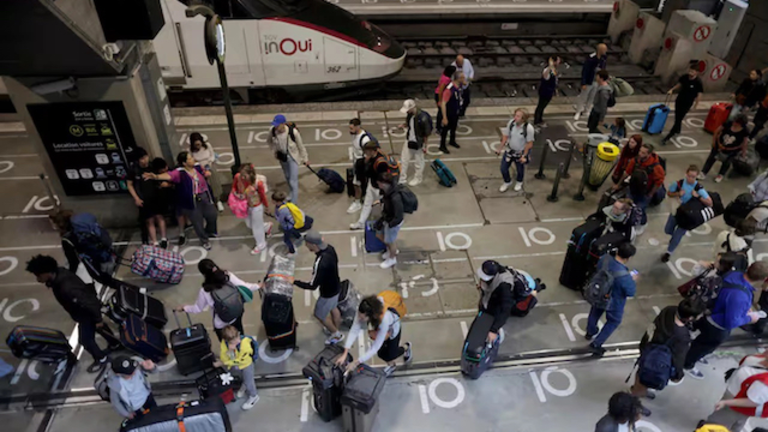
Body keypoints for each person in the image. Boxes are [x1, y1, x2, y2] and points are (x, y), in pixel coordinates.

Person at [26, 255, 118, 373]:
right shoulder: (60, 275)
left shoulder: (66, 287)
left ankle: (101, 358)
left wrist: (98, 318)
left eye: (38, 275)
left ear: (47, 272)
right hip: (85, 311)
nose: (38, 279)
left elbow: (87, 302)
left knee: (85, 340)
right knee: (99, 328)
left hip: (86, 313)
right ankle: (115, 344)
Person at [684, 261, 768, 379]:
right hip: (717, 327)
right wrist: (750, 317)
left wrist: (743, 308)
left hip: (708, 314)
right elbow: (731, 322)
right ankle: (688, 364)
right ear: (762, 279)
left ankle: (693, 353)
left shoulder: (733, 275)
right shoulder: (741, 296)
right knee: (704, 346)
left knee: (700, 341)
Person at [630, 298, 705, 400]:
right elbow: (679, 358)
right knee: (651, 376)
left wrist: (643, 348)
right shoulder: (682, 337)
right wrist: (678, 375)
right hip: (660, 361)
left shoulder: (668, 310)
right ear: (691, 318)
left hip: (648, 350)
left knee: (642, 372)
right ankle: (636, 397)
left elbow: (652, 328)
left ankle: (636, 392)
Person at [144, 152, 217, 250]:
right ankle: (204, 240)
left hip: (205, 196)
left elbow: (204, 172)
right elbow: (169, 175)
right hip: (192, 200)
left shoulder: (197, 167)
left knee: (212, 214)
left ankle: (210, 231)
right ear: (184, 163)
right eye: (190, 158)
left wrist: (207, 172)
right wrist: (156, 177)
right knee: (197, 222)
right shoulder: (180, 173)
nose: (192, 159)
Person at [175, 259, 261, 342]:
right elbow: (245, 286)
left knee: (226, 343)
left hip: (221, 323)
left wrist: (184, 308)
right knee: (240, 337)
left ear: (204, 274)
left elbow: (197, 308)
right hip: (236, 314)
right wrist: (258, 285)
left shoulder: (205, 290)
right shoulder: (227, 276)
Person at [336, 295, 412, 377]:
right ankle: (391, 363)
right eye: (359, 316)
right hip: (380, 328)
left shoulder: (384, 320)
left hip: (392, 328)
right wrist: (345, 353)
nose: (359, 319)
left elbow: (375, 347)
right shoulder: (364, 310)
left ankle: (406, 348)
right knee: (381, 353)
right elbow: (354, 330)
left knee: (390, 355)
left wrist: (356, 362)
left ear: (371, 316)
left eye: (362, 318)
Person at [586, 243, 638, 357]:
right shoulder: (624, 277)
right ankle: (596, 344)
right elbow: (631, 292)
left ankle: (590, 331)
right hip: (614, 302)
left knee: (595, 312)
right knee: (613, 321)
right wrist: (632, 280)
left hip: (599, 293)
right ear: (628, 258)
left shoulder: (604, 259)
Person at [293, 231, 344, 344]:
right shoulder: (330, 249)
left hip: (327, 294)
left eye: (307, 243)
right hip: (336, 286)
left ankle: (336, 334)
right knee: (333, 308)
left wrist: (294, 282)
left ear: (313, 245)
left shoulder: (321, 263)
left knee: (319, 315)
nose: (306, 245)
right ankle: (335, 327)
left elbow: (312, 285)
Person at [700, 353, 768, 431]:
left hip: (737, 405)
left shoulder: (765, 383)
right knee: (734, 422)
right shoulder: (759, 358)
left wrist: (725, 402)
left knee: (717, 424)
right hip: (734, 395)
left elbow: (753, 401)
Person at [661, 165, 713, 263]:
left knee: (677, 236)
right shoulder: (678, 184)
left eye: (693, 177)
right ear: (686, 174)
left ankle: (669, 252)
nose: (691, 179)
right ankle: (674, 239)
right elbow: (669, 193)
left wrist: (698, 197)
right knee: (668, 229)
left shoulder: (698, 188)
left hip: (688, 216)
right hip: (676, 211)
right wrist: (678, 194)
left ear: (697, 177)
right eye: (689, 176)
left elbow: (710, 202)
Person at [613, 143, 666, 234]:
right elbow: (627, 173)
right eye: (640, 151)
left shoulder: (656, 167)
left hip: (645, 192)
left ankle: (643, 223)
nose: (640, 154)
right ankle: (626, 220)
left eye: (643, 153)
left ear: (649, 154)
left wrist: (650, 194)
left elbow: (659, 182)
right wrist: (618, 184)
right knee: (627, 205)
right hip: (633, 188)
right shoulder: (635, 161)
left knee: (640, 209)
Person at [350, 141, 396, 230]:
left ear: (372, 151)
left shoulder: (380, 163)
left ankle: (385, 224)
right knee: (367, 204)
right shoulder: (372, 158)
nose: (365, 153)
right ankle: (361, 222)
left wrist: (367, 164)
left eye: (366, 151)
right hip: (372, 185)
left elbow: (380, 177)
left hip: (380, 188)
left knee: (383, 207)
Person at [126, 148, 168, 248]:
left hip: (157, 196)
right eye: (142, 158)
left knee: (160, 217)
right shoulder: (134, 170)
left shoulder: (153, 166)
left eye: (146, 157)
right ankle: (155, 242)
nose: (145, 160)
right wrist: (136, 198)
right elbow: (129, 184)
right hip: (143, 198)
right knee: (149, 221)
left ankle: (164, 239)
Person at [215, 325, 260, 410]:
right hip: (237, 365)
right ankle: (244, 385)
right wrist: (230, 351)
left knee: (249, 381)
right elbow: (224, 357)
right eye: (233, 341)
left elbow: (241, 360)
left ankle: (254, 396)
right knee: (242, 377)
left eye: (237, 338)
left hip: (246, 364)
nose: (237, 341)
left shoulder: (245, 344)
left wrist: (224, 362)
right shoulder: (224, 343)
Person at [268, 114, 309, 204]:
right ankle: (291, 193)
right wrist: (274, 151)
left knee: (293, 180)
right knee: (287, 177)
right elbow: (269, 142)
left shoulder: (293, 132)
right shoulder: (272, 131)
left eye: (278, 125)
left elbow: (301, 146)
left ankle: (294, 202)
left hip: (292, 157)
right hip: (282, 158)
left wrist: (305, 159)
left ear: (283, 124)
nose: (276, 127)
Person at [661, 62, 703, 146]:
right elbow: (679, 84)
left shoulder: (698, 82)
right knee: (677, 116)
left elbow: (699, 94)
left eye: (692, 72)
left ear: (696, 73)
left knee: (679, 119)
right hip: (680, 99)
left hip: (688, 102)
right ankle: (678, 129)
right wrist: (672, 90)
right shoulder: (684, 77)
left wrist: (696, 105)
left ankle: (668, 136)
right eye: (690, 71)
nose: (690, 73)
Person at [700, 114, 750, 183]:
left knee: (726, 163)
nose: (734, 123)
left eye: (737, 122)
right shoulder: (728, 123)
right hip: (719, 145)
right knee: (711, 158)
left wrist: (743, 154)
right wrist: (714, 141)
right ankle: (703, 172)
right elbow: (717, 131)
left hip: (732, 150)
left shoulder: (745, 131)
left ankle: (720, 175)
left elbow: (744, 143)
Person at [475, 261, 514, 345]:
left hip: (496, 303)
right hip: (488, 299)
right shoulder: (492, 272)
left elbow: (506, 309)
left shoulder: (504, 286)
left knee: (493, 317)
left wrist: (494, 330)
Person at [497, 108, 535, 193]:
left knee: (520, 169)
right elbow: (505, 136)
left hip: (520, 152)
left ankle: (519, 182)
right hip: (509, 150)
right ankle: (507, 181)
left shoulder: (528, 129)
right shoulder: (511, 123)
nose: (515, 117)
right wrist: (500, 148)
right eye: (515, 115)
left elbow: (529, 144)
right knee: (503, 168)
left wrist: (524, 156)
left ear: (523, 119)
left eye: (518, 116)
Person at [237, 164, 271, 255]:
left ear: (250, 174)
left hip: (257, 207)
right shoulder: (242, 181)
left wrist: (267, 207)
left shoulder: (258, 183)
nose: (242, 177)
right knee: (249, 224)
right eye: (242, 175)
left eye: (244, 175)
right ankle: (267, 227)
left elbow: (263, 196)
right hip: (247, 206)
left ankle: (261, 244)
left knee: (256, 228)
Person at [189, 132, 225, 212]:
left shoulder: (207, 146)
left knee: (215, 184)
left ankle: (218, 201)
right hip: (199, 171)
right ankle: (209, 202)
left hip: (210, 167)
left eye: (199, 144)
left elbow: (212, 155)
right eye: (196, 145)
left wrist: (208, 164)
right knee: (204, 187)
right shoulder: (191, 151)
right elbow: (191, 161)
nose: (198, 146)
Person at [398, 99, 431, 186]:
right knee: (404, 159)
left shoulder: (423, 118)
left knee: (418, 161)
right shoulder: (410, 115)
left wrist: (425, 145)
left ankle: (418, 177)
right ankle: (402, 177)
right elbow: (410, 124)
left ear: (412, 108)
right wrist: (404, 125)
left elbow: (426, 133)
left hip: (418, 142)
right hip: (409, 139)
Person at [374, 174, 404, 269]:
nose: (378, 185)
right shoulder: (388, 191)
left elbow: (398, 215)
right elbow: (386, 199)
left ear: (383, 183)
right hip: (387, 218)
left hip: (393, 222)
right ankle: (390, 250)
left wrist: (391, 224)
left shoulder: (395, 197)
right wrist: (381, 201)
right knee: (379, 234)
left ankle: (392, 258)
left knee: (390, 241)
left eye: (379, 183)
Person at [574, 43, 608, 121]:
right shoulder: (591, 58)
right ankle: (578, 111)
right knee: (583, 97)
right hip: (589, 80)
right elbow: (585, 70)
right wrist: (583, 82)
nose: (605, 51)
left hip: (597, 81)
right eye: (604, 49)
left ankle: (587, 110)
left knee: (592, 97)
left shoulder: (603, 58)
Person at [347, 118, 373, 214]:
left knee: (357, 183)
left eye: (352, 128)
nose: (350, 130)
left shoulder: (364, 139)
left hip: (361, 163)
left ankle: (357, 202)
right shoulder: (354, 135)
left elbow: (370, 153)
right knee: (360, 183)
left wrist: (363, 165)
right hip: (356, 162)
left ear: (358, 127)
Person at [439, 70, 465, 154]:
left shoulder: (459, 85)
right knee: (445, 129)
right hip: (449, 112)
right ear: (458, 78)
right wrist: (444, 117)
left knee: (454, 127)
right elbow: (443, 103)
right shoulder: (449, 89)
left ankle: (452, 140)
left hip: (455, 111)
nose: (464, 79)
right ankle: (442, 145)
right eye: (462, 77)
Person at [534, 56, 560, 127]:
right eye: (558, 60)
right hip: (545, 91)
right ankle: (537, 121)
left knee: (542, 106)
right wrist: (550, 66)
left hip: (549, 91)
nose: (559, 62)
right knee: (541, 106)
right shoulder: (547, 70)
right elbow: (545, 77)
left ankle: (539, 119)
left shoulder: (553, 70)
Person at [434, 65, 457, 133]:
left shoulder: (446, 76)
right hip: (439, 95)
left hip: (442, 94)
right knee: (441, 111)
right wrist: (440, 100)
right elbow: (440, 90)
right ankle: (438, 127)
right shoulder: (446, 79)